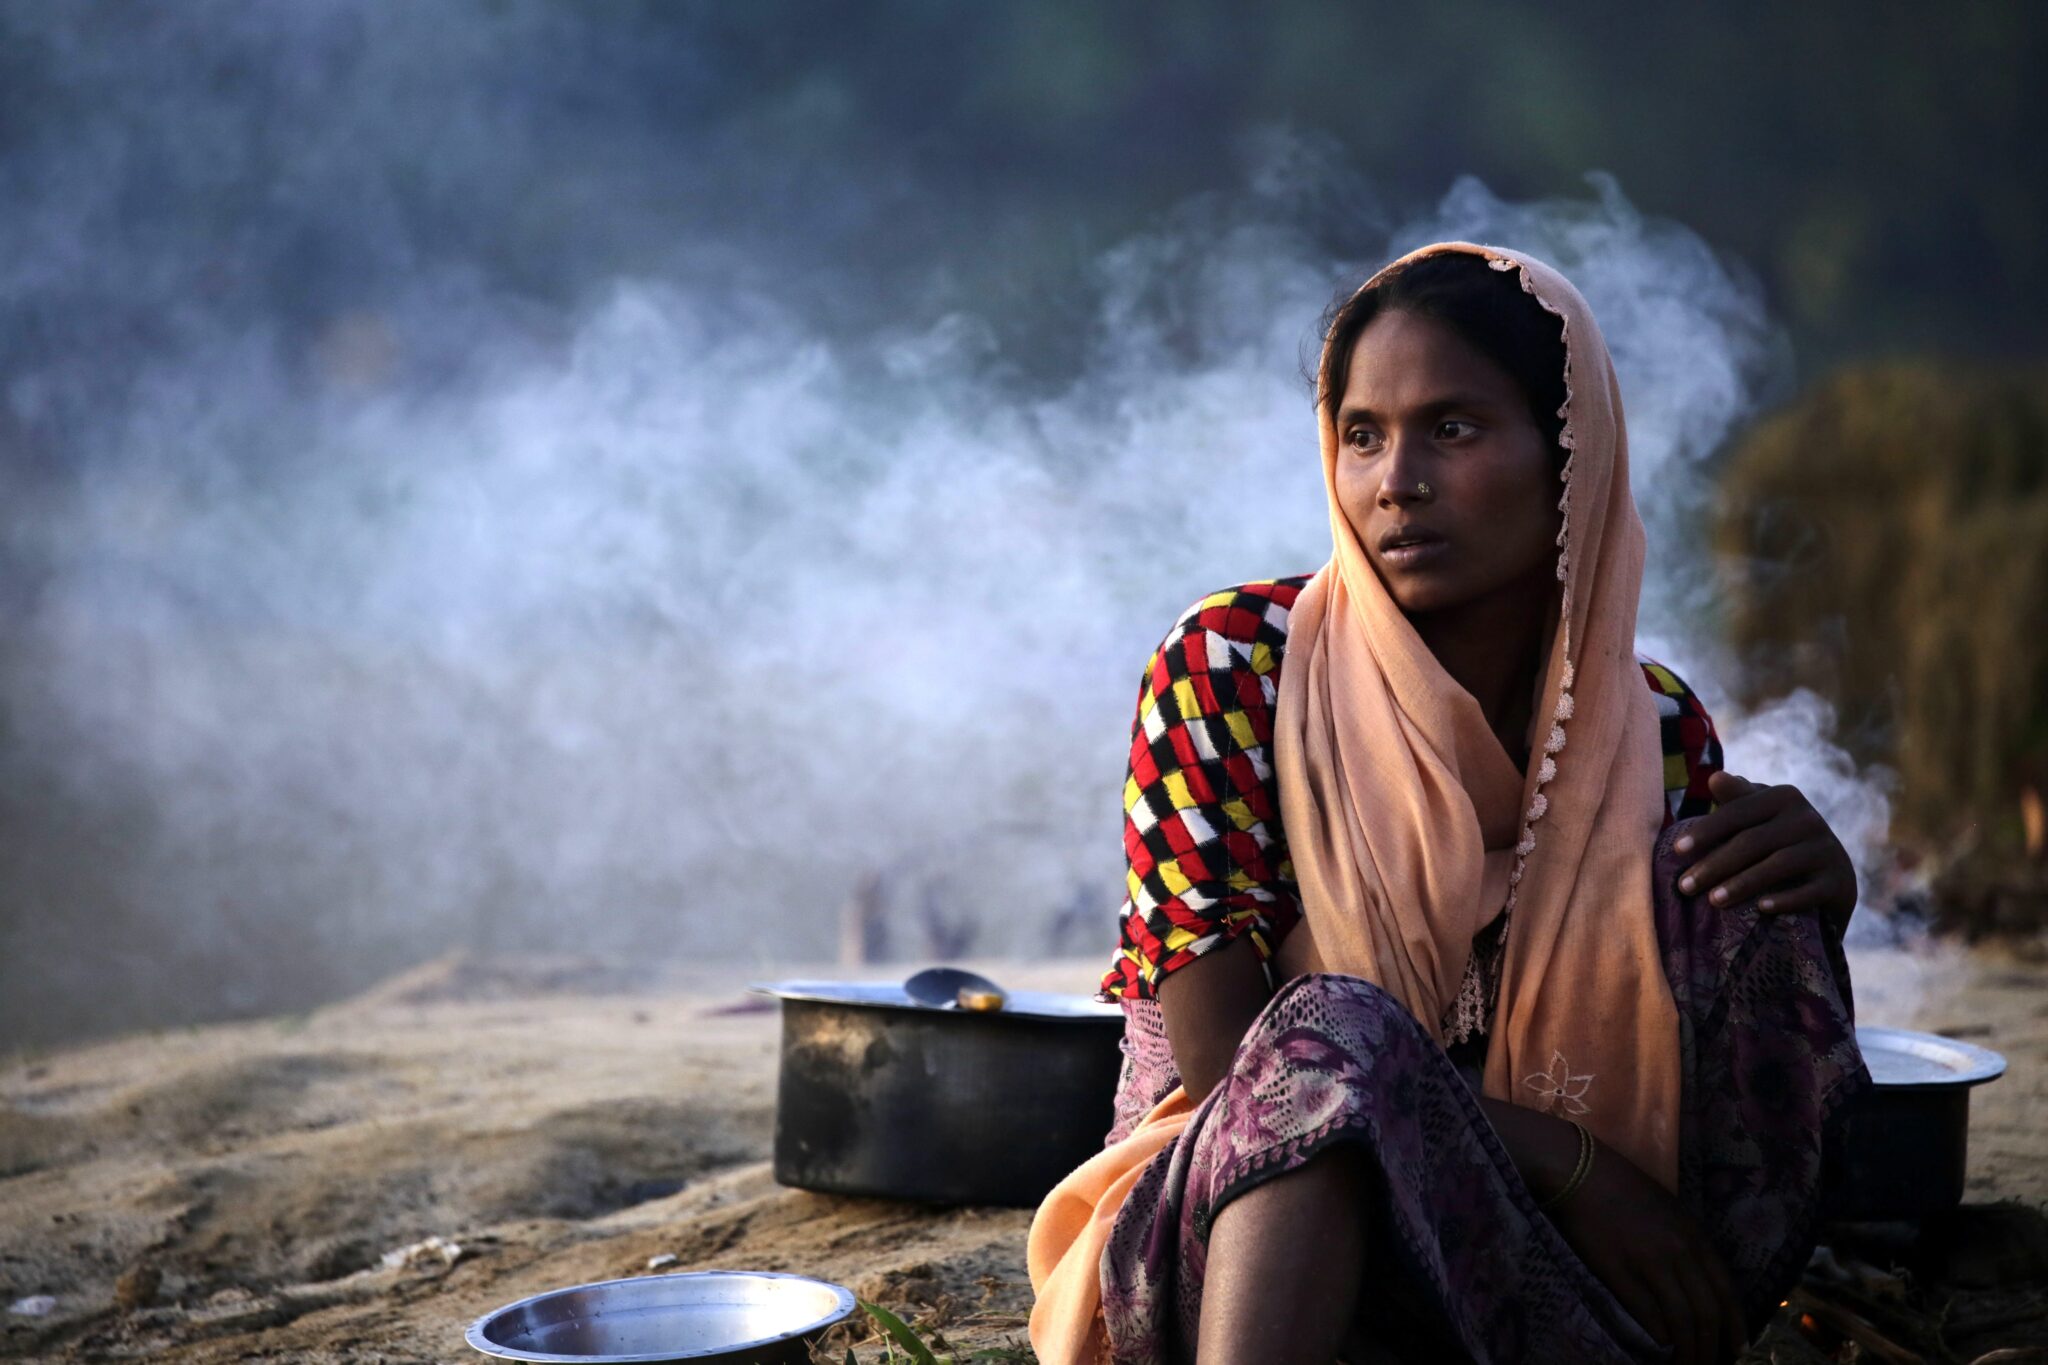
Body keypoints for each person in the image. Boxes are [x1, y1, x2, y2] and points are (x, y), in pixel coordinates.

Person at [1026, 242, 1871, 1365]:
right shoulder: (1232, 667)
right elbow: (1245, 1063)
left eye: (1453, 429)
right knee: (1331, 1026)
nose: (1395, 481)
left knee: (1755, 909)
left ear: (1569, 455)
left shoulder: (1652, 728)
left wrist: (1819, 899)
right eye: (1360, 434)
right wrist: (1575, 1166)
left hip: (1520, 1258)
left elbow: (1704, 1023)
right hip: (1229, 1247)